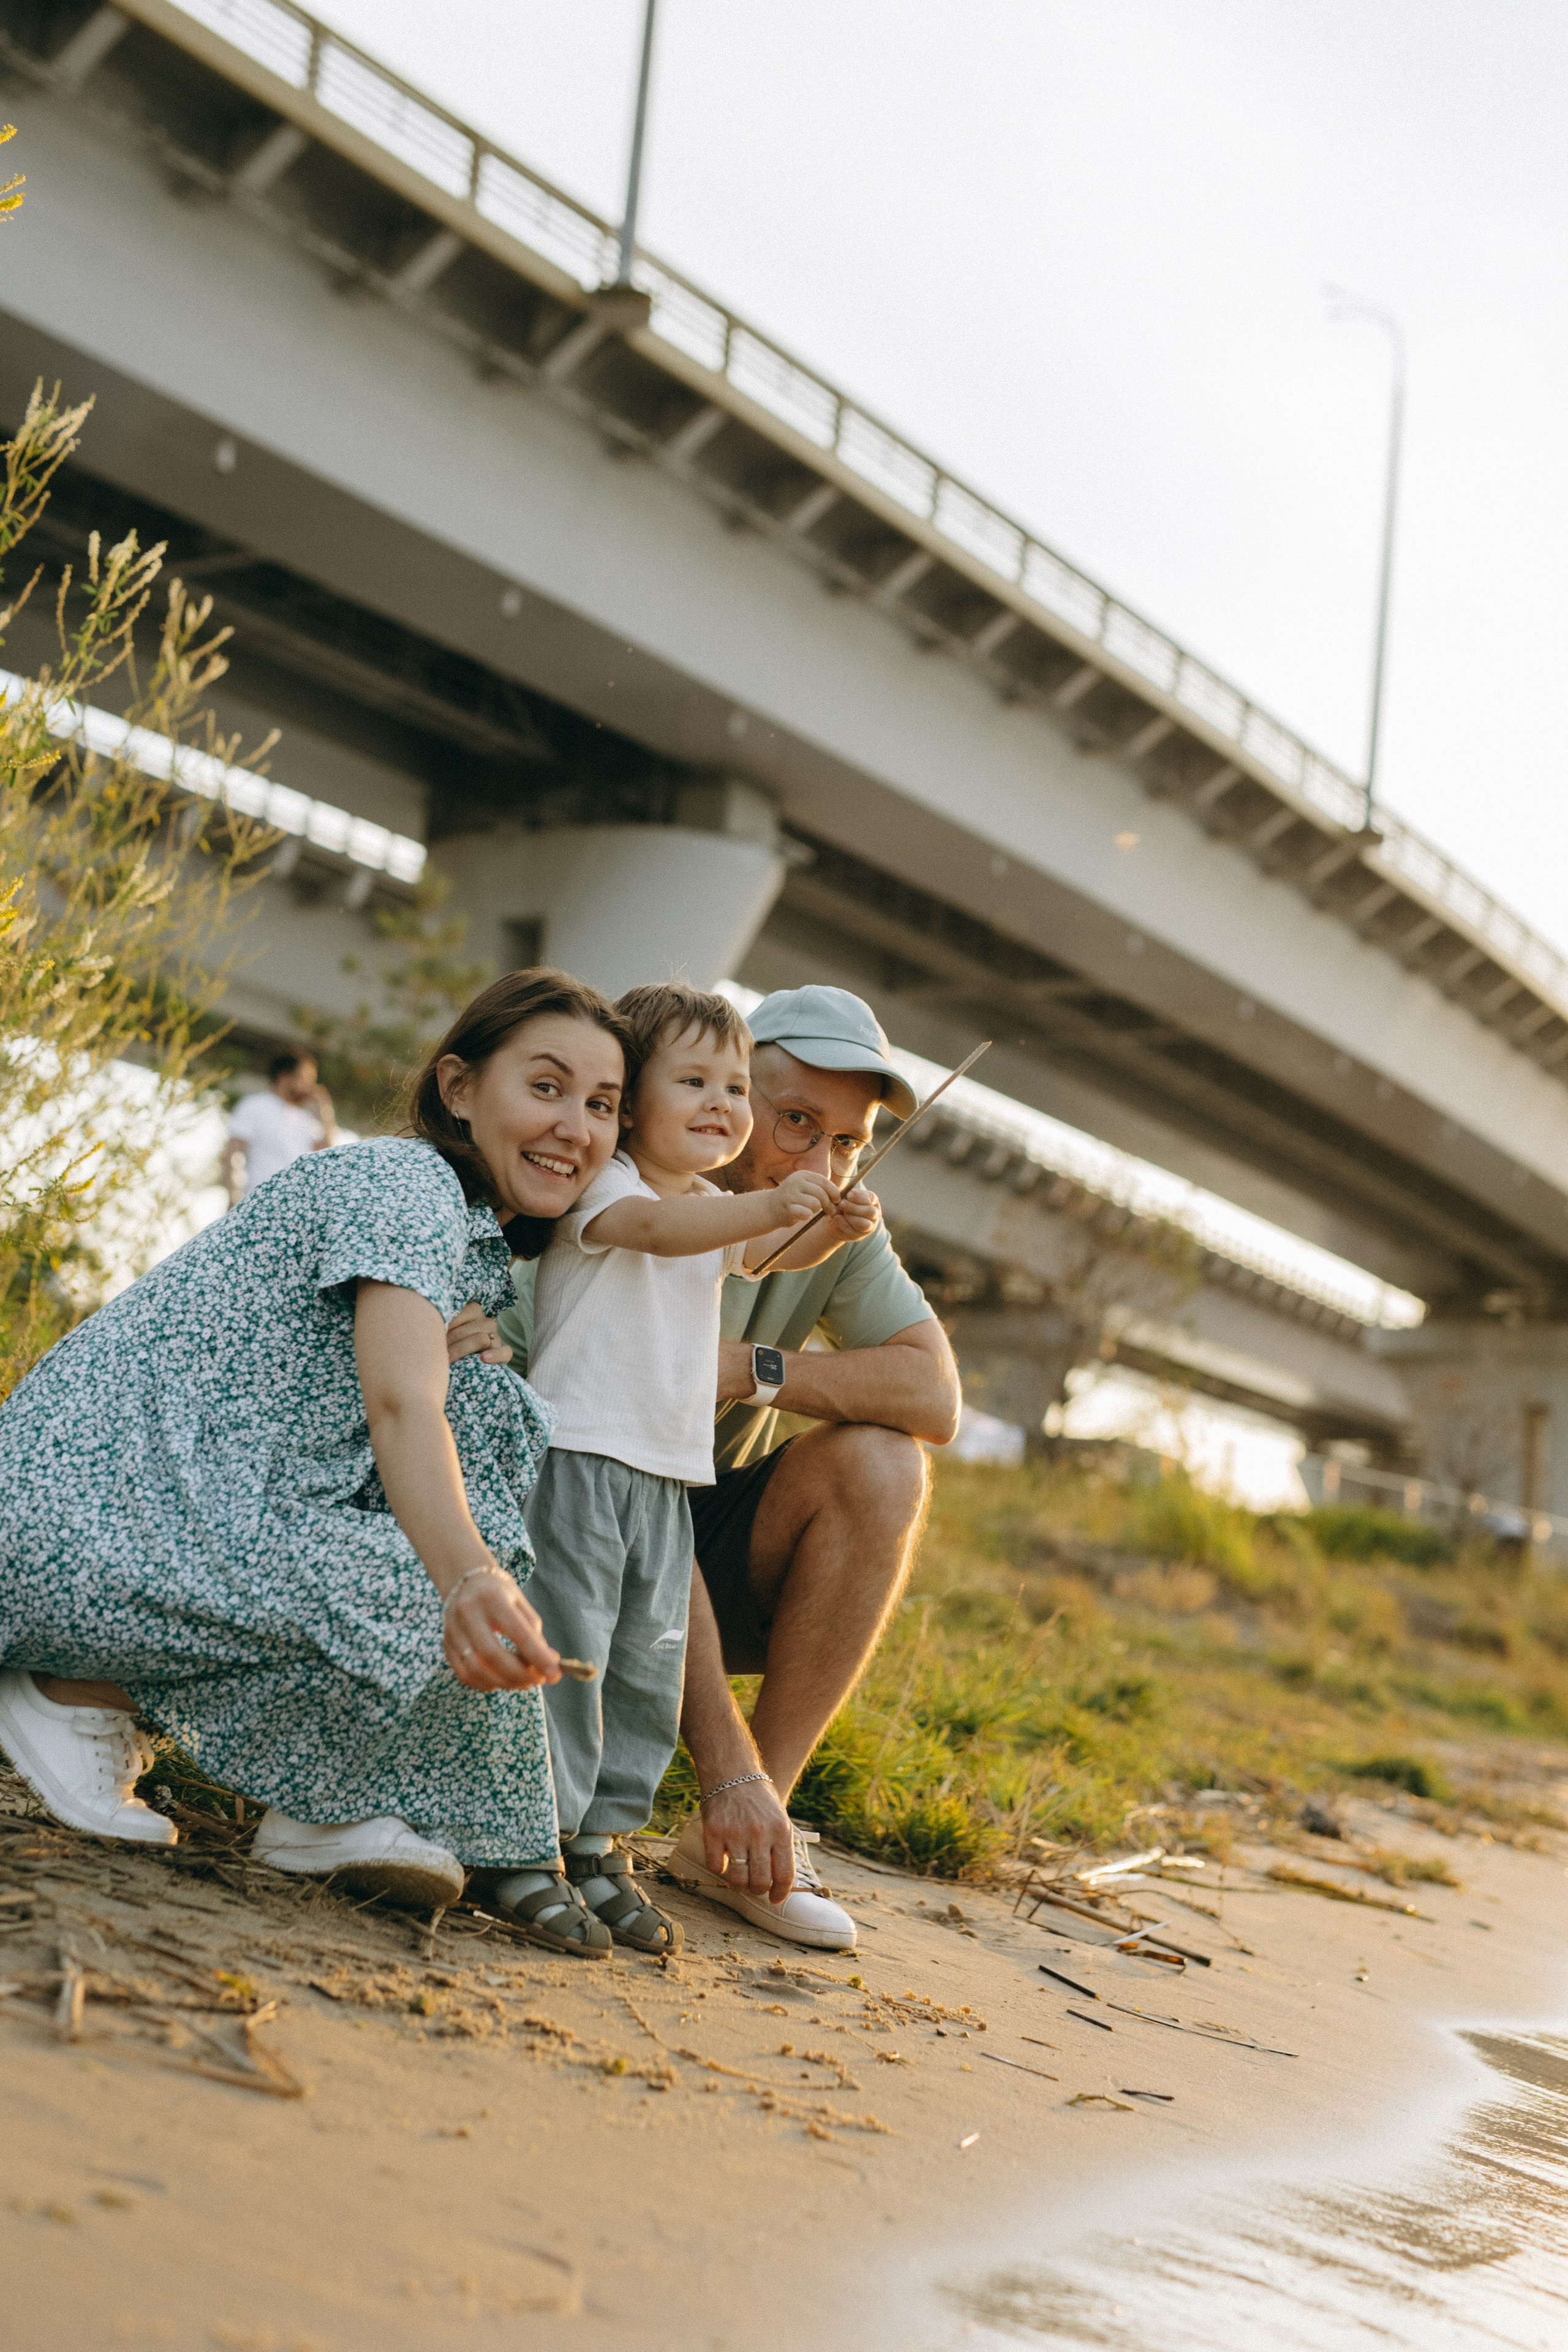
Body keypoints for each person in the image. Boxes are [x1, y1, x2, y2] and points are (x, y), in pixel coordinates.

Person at [0, 970, 631, 1951]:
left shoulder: (464, 1248)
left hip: (139, 1527)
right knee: (440, 1575)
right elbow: (399, 1403)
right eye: (545, 1088)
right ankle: (75, 1696)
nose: (576, 1128)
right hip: (72, 1527)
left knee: (491, 1413)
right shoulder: (406, 1181)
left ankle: (322, 1803)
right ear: (459, 1088)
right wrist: (468, 1578)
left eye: (602, 1105)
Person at [464, 984, 962, 1953]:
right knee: (572, 1663)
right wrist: (774, 1213)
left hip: (681, 1508)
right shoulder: (601, 1183)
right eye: (792, 1120)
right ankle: (529, 1837)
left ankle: (709, 1834)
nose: (818, 1160)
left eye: (849, 1143)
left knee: (883, 1466)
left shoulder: (781, 1213)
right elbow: (667, 1239)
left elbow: (935, 1400)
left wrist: (754, 1369)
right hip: (562, 1493)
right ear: (649, 1097)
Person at [222, 1049, 337, 1204]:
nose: (310, 1087)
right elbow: (232, 1154)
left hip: (294, 1209)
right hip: (258, 1204)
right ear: (284, 1077)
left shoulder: (306, 1121)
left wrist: (325, 1111)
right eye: (305, 1080)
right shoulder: (255, 1106)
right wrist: (233, 1200)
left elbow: (328, 1152)